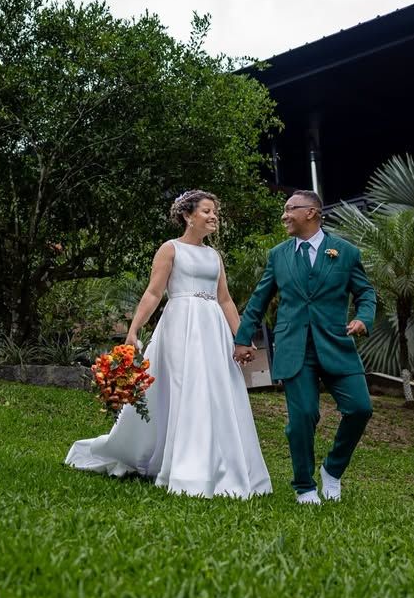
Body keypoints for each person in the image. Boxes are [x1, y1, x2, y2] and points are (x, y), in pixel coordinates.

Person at [65, 190, 272, 499]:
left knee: (217, 390)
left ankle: (220, 462)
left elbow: (225, 300)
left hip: (212, 328)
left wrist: (241, 338)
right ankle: (183, 464)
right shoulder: (170, 249)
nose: (213, 216)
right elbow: (153, 292)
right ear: (188, 216)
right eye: (206, 211)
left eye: (215, 211)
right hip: (181, 326)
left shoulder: (214, 256)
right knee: (183, 387)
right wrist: (134, 329)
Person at [233, 190, 376, 504]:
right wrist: (242, 339)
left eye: (290, 209)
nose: (284, 215)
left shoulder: (346, 252)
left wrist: (363, 318)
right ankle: (304, 486)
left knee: (360, 409)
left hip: (336, 344)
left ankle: (332, 470)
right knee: (303, 418)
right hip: (294, 347)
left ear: (311, 212)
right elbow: (258, 300)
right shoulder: (278, 255)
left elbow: (366, 294)